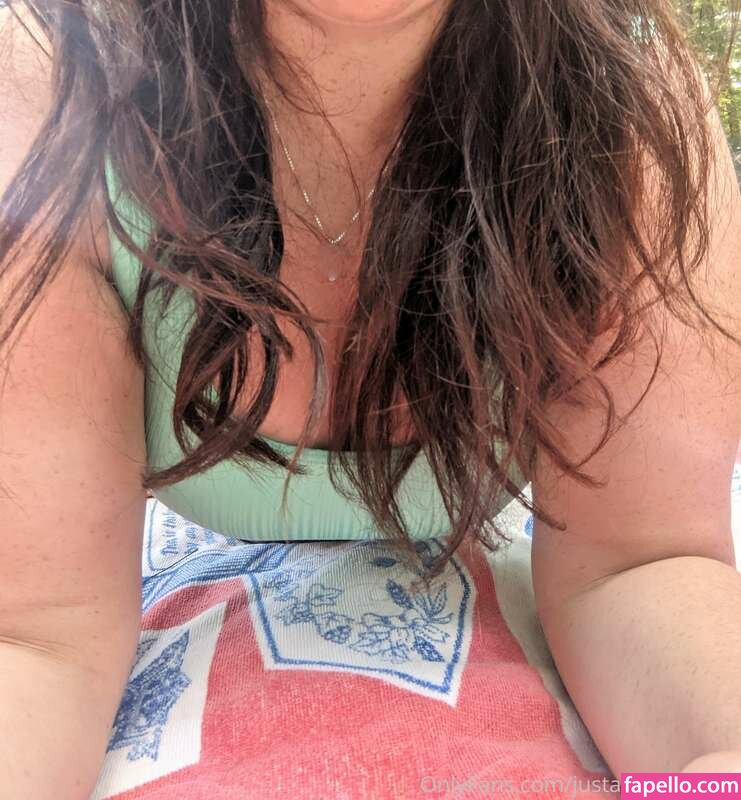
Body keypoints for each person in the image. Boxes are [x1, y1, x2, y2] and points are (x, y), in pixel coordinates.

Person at [0, 0, 740, 796]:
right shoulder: (43, 79)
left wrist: (706, 778)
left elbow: (640, 560)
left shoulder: (631, 94)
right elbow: (37, 631)